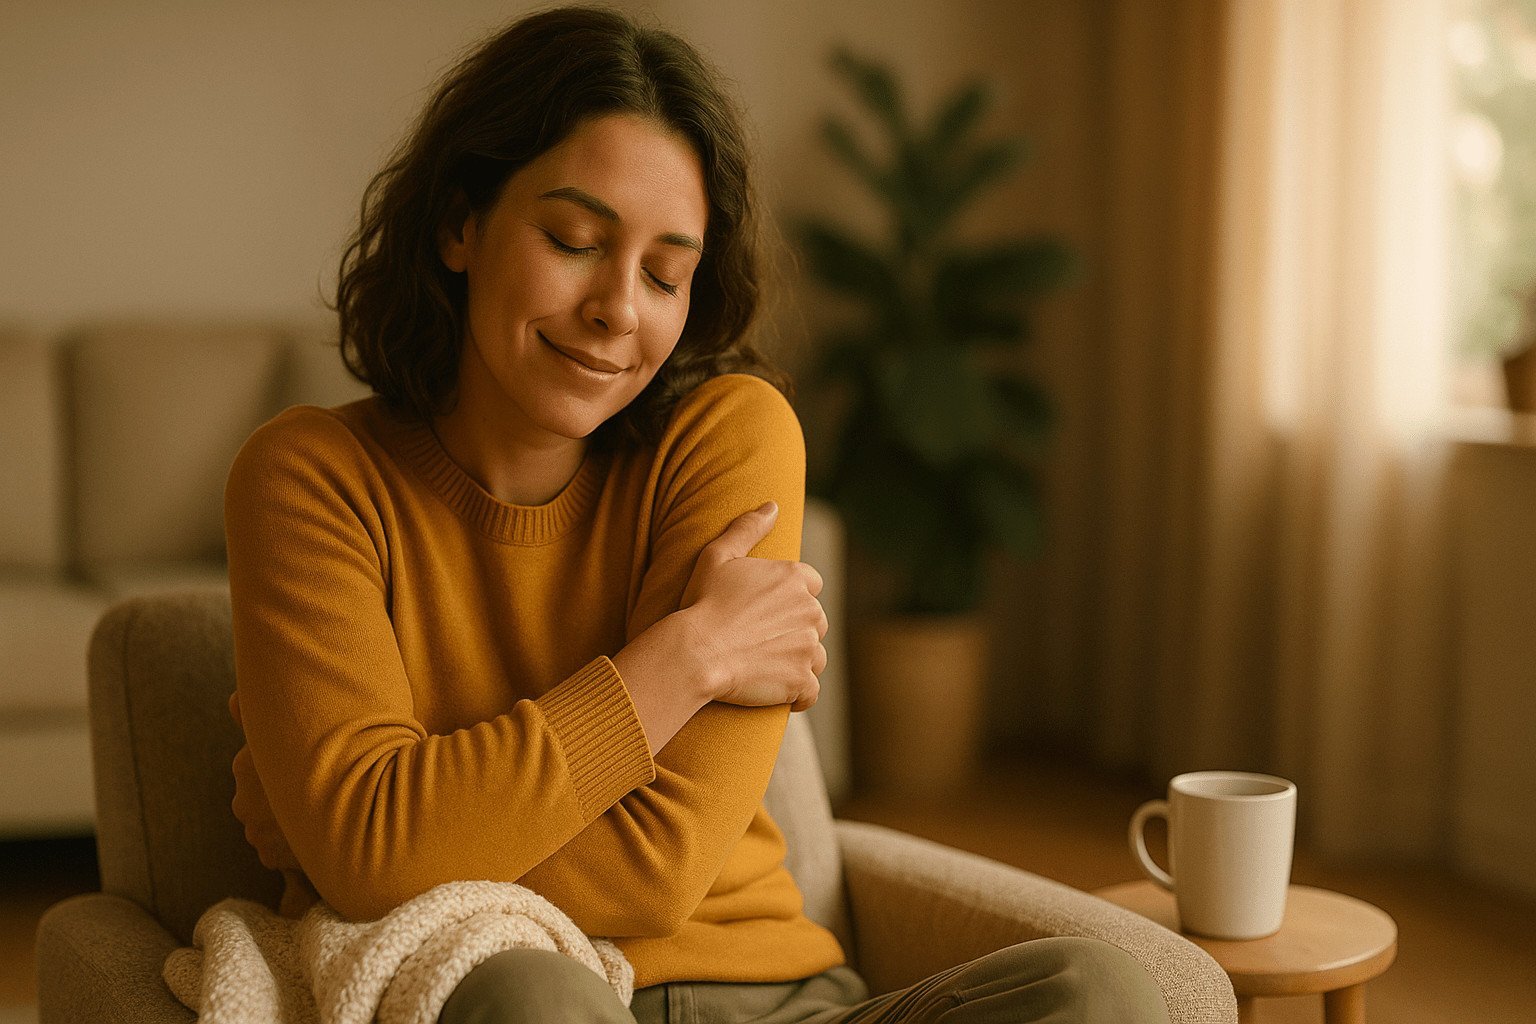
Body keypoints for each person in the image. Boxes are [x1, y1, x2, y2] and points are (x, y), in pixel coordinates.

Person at [223, 7, 1172, 1023]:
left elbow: (658, 869)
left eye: (665, 272)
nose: (619, 310)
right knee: (530, 998)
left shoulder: (729, 440)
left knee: (1101, 991)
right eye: (574, 240)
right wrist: (690, 656)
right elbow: (376, 853)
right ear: (460, 223)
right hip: (531, 995)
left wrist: (392, 841)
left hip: (782, 1000)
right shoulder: (312, 477)